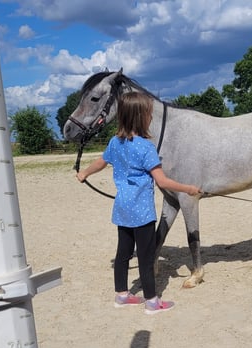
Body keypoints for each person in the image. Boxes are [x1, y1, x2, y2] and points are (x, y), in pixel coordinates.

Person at [76, 91, 201, 315]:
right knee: (145, 256)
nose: (151, 118)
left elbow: (100, 163)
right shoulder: (146, 147)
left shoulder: (115, 143)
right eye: (149, 114)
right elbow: (162, 180)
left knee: (123, 253)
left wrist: (84, 173)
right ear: (140, 117)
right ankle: (152, 301)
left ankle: (122, 295)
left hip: (122, 209)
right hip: (142, 213)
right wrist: (188, 188)